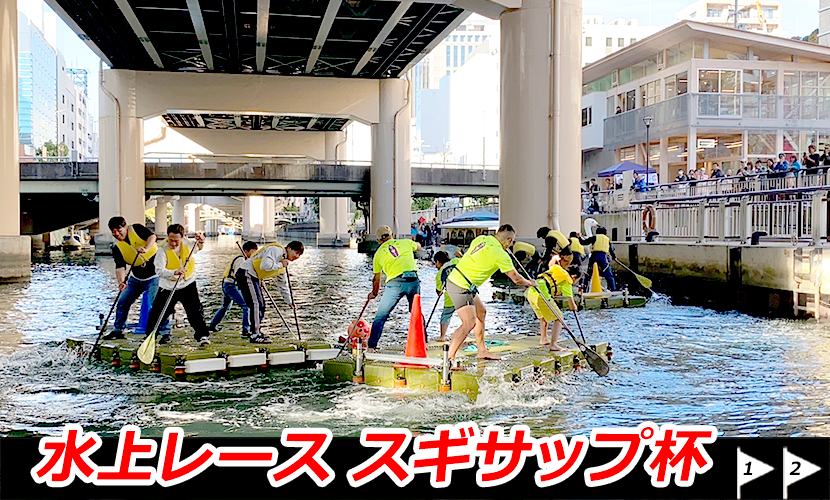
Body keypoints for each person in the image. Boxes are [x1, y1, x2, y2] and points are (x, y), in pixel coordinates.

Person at [445, 224, 537, 360]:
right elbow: (516, 279)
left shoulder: (481, 239)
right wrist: (530, 283)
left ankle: (482, 351)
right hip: (460, 284)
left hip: (463, 281)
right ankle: (449, 359)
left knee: (481, 312)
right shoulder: (501, 255)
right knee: (469, 322)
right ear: (510, 241)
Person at [105, 216, 171, 340]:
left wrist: (146, 249)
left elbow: (152, 237)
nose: (117, 234)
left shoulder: (136, 229)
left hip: (154, 276)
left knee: (156, 302)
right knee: (123, 301)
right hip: (136, 278)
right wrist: (121, 282)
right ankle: (118, 330)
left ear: (125, 227)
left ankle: (165, 331)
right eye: (114, 231)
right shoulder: (117, 248)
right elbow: (120, 267)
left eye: (119, 230)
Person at [145, 224, 209, 345]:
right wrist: (174, 272)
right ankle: (150, 337)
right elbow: (159, 271)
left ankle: (203, 336)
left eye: (176, 241)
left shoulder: (188, 243)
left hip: (187, 283)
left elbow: (199, 247)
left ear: (183, 238)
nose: (173, 244)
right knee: (159, 312)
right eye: (171, 240)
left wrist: (201, 240)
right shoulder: (162, 250)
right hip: (168, 286)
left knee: (195, 310)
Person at [236, 241, 305, 344]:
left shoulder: (283, 264)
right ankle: (254, 335)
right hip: (246, 273)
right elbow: (265, 265)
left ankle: (256, 331)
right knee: (256, 304)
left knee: (262, 305)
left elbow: (283, 285)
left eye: (299, 254)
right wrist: (280, 264)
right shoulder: (276, 250)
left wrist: (290, 301)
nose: (297, 256)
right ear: (289, 249)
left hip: (254, 277)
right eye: (296, 252)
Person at [367, 225, 422, 350]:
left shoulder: (378, 254)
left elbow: (377, 278)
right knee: (416, 313)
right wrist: (414, 243)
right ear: (392, 235)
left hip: (395, 284)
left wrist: (374, 293)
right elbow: (419, 246)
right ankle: (424, 343)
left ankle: (371, 347)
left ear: (379, 240)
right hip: (413, 280)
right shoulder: (405, 242)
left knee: (381, 316)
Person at [526, 253, 577, 349]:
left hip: (531, 292)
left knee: (544, 317)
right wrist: (575, 307)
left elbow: (551, 263)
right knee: (559, 318)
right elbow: (571, 305)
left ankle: (543, 339)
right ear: (574, 276)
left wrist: (555, 257)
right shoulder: (567, 281)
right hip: (542, 293)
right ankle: (553, 345)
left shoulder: (557, 268)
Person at [208, 241, 258, 336]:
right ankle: (246, 330)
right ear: (246, 251)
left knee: (225, 307)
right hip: (231, 285)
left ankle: (212, 326)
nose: (254, 254)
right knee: (246, 306)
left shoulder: (243, 259)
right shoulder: (241, 260)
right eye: (253, 251)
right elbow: (239, 275)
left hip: (227, 284)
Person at [580, 226, 617, 291]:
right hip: (604, 257)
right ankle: (613, 289)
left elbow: (584, 242)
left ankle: (585, 289)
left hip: (595, 256)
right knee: (608, 274)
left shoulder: (594, 238)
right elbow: (611, 250)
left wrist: (579, 237)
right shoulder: (607, 239)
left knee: (589, 273)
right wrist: (614, 257)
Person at [433, 251, 459, 342]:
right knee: (467, 317)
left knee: (446, 316)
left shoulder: (440, 273)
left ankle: (442, 336)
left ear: (438, 262)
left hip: (450, 298)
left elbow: (439, 291)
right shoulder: (456, 261)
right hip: (465, 294)